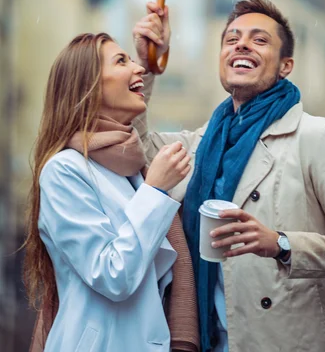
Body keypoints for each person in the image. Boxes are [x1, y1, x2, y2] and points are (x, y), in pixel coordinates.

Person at [133, 0, 325, 352]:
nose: (242, 44)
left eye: (260, 39)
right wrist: (147, 65)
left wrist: (282, 244)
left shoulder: (316, 136)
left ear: (286, 66)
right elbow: (135, 145)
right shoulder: (203, 142)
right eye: (231, 38)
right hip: (213, 341)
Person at [24, 32, 200, 352]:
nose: (139, 70)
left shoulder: (128, 167)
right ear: (88, 86)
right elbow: (112, 275)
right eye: (122, 61)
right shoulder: (63, 170)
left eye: (133, 60)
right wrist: (156, 191)